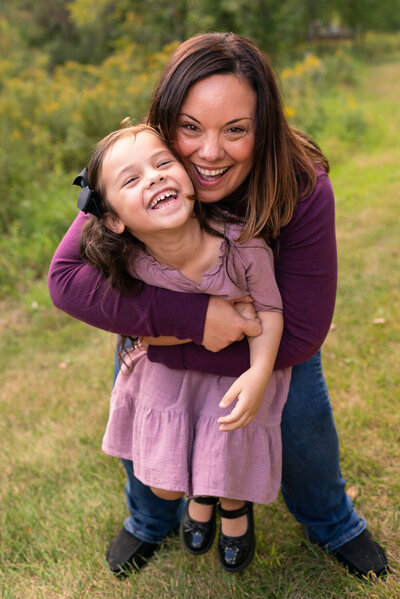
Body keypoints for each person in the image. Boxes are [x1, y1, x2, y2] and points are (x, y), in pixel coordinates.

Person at [48, 33, 388, 578]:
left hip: (265, 341)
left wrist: (183, 342)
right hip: (166, 332)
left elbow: (300, 334)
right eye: (189, 128)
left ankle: (331, 520)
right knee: (147, 399)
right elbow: (66, 279)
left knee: (299, 407)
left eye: (236, 130)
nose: (209, 153)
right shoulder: (141, 167)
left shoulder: (300, 185)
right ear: (164, 123)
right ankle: (149, 517)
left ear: (264, 128)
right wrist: (194, 324)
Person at [75, 123, 292, 572]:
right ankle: (199, 492)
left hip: (236, 373)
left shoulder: (242, 247)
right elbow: (130, 322)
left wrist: (258, 373)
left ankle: (233, 507)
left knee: (230, 452)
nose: (153, 178)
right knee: (166, 485)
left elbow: (269, 312)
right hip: (168, 374)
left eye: (162, 164)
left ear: (189, 179)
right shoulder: (129, 262)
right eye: (131, 180)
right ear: (114, 218)